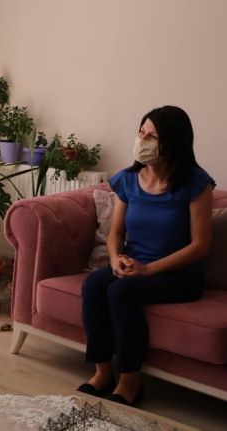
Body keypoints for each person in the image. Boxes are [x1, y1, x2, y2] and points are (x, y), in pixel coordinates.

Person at [78, 105, 215, 406]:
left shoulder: (196, 183)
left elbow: (200, 245)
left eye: (152, 136)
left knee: (121, 292)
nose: (142, 140)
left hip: (179, 275)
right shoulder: (128, 179)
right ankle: (102, 371)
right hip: (134, 265)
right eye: (141, 132)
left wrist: (149, 270)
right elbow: (116, 234)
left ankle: (130, 381)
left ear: (172, 142)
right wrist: (115, 259)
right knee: (93, 285)